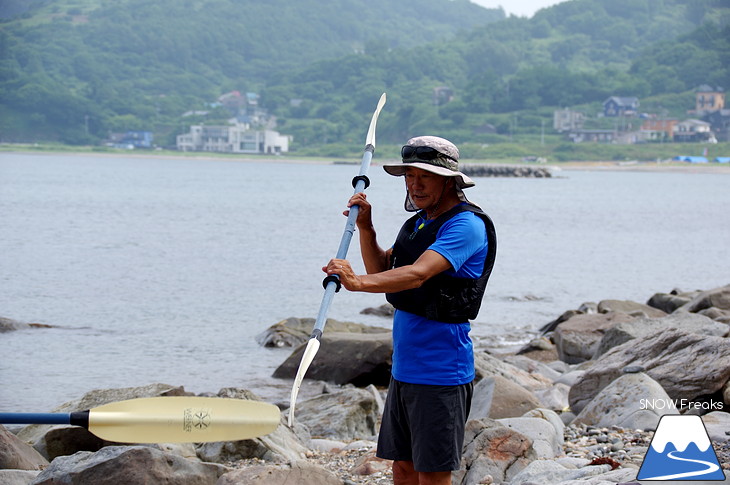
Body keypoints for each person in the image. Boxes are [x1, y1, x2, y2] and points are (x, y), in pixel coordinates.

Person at [323, 135, 497, 485]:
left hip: (440, 373)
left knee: (432, 474)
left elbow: (418, 274)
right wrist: (366, 229)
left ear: (448, 179)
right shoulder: (420, 221)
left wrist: (354, 283)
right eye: (408, 176)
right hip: (406, 370)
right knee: (402, 467)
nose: (414, 185)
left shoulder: (466, 226)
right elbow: (382, 272)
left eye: (424, 177)